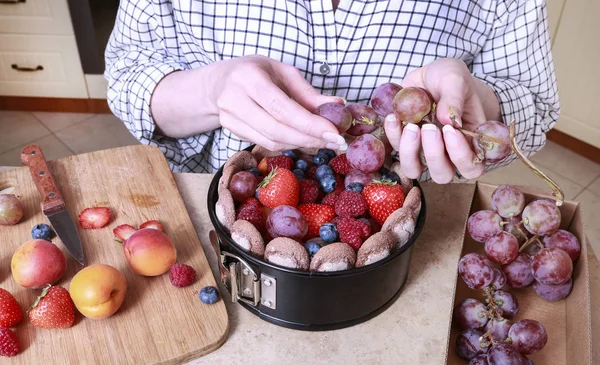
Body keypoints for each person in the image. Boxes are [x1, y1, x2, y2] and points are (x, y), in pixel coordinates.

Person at [104, 0, 559, 184]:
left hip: (408, 233)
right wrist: (208, 91)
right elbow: (126, 74)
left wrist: (477, 98)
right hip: (228, 221)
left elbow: (535, 106)